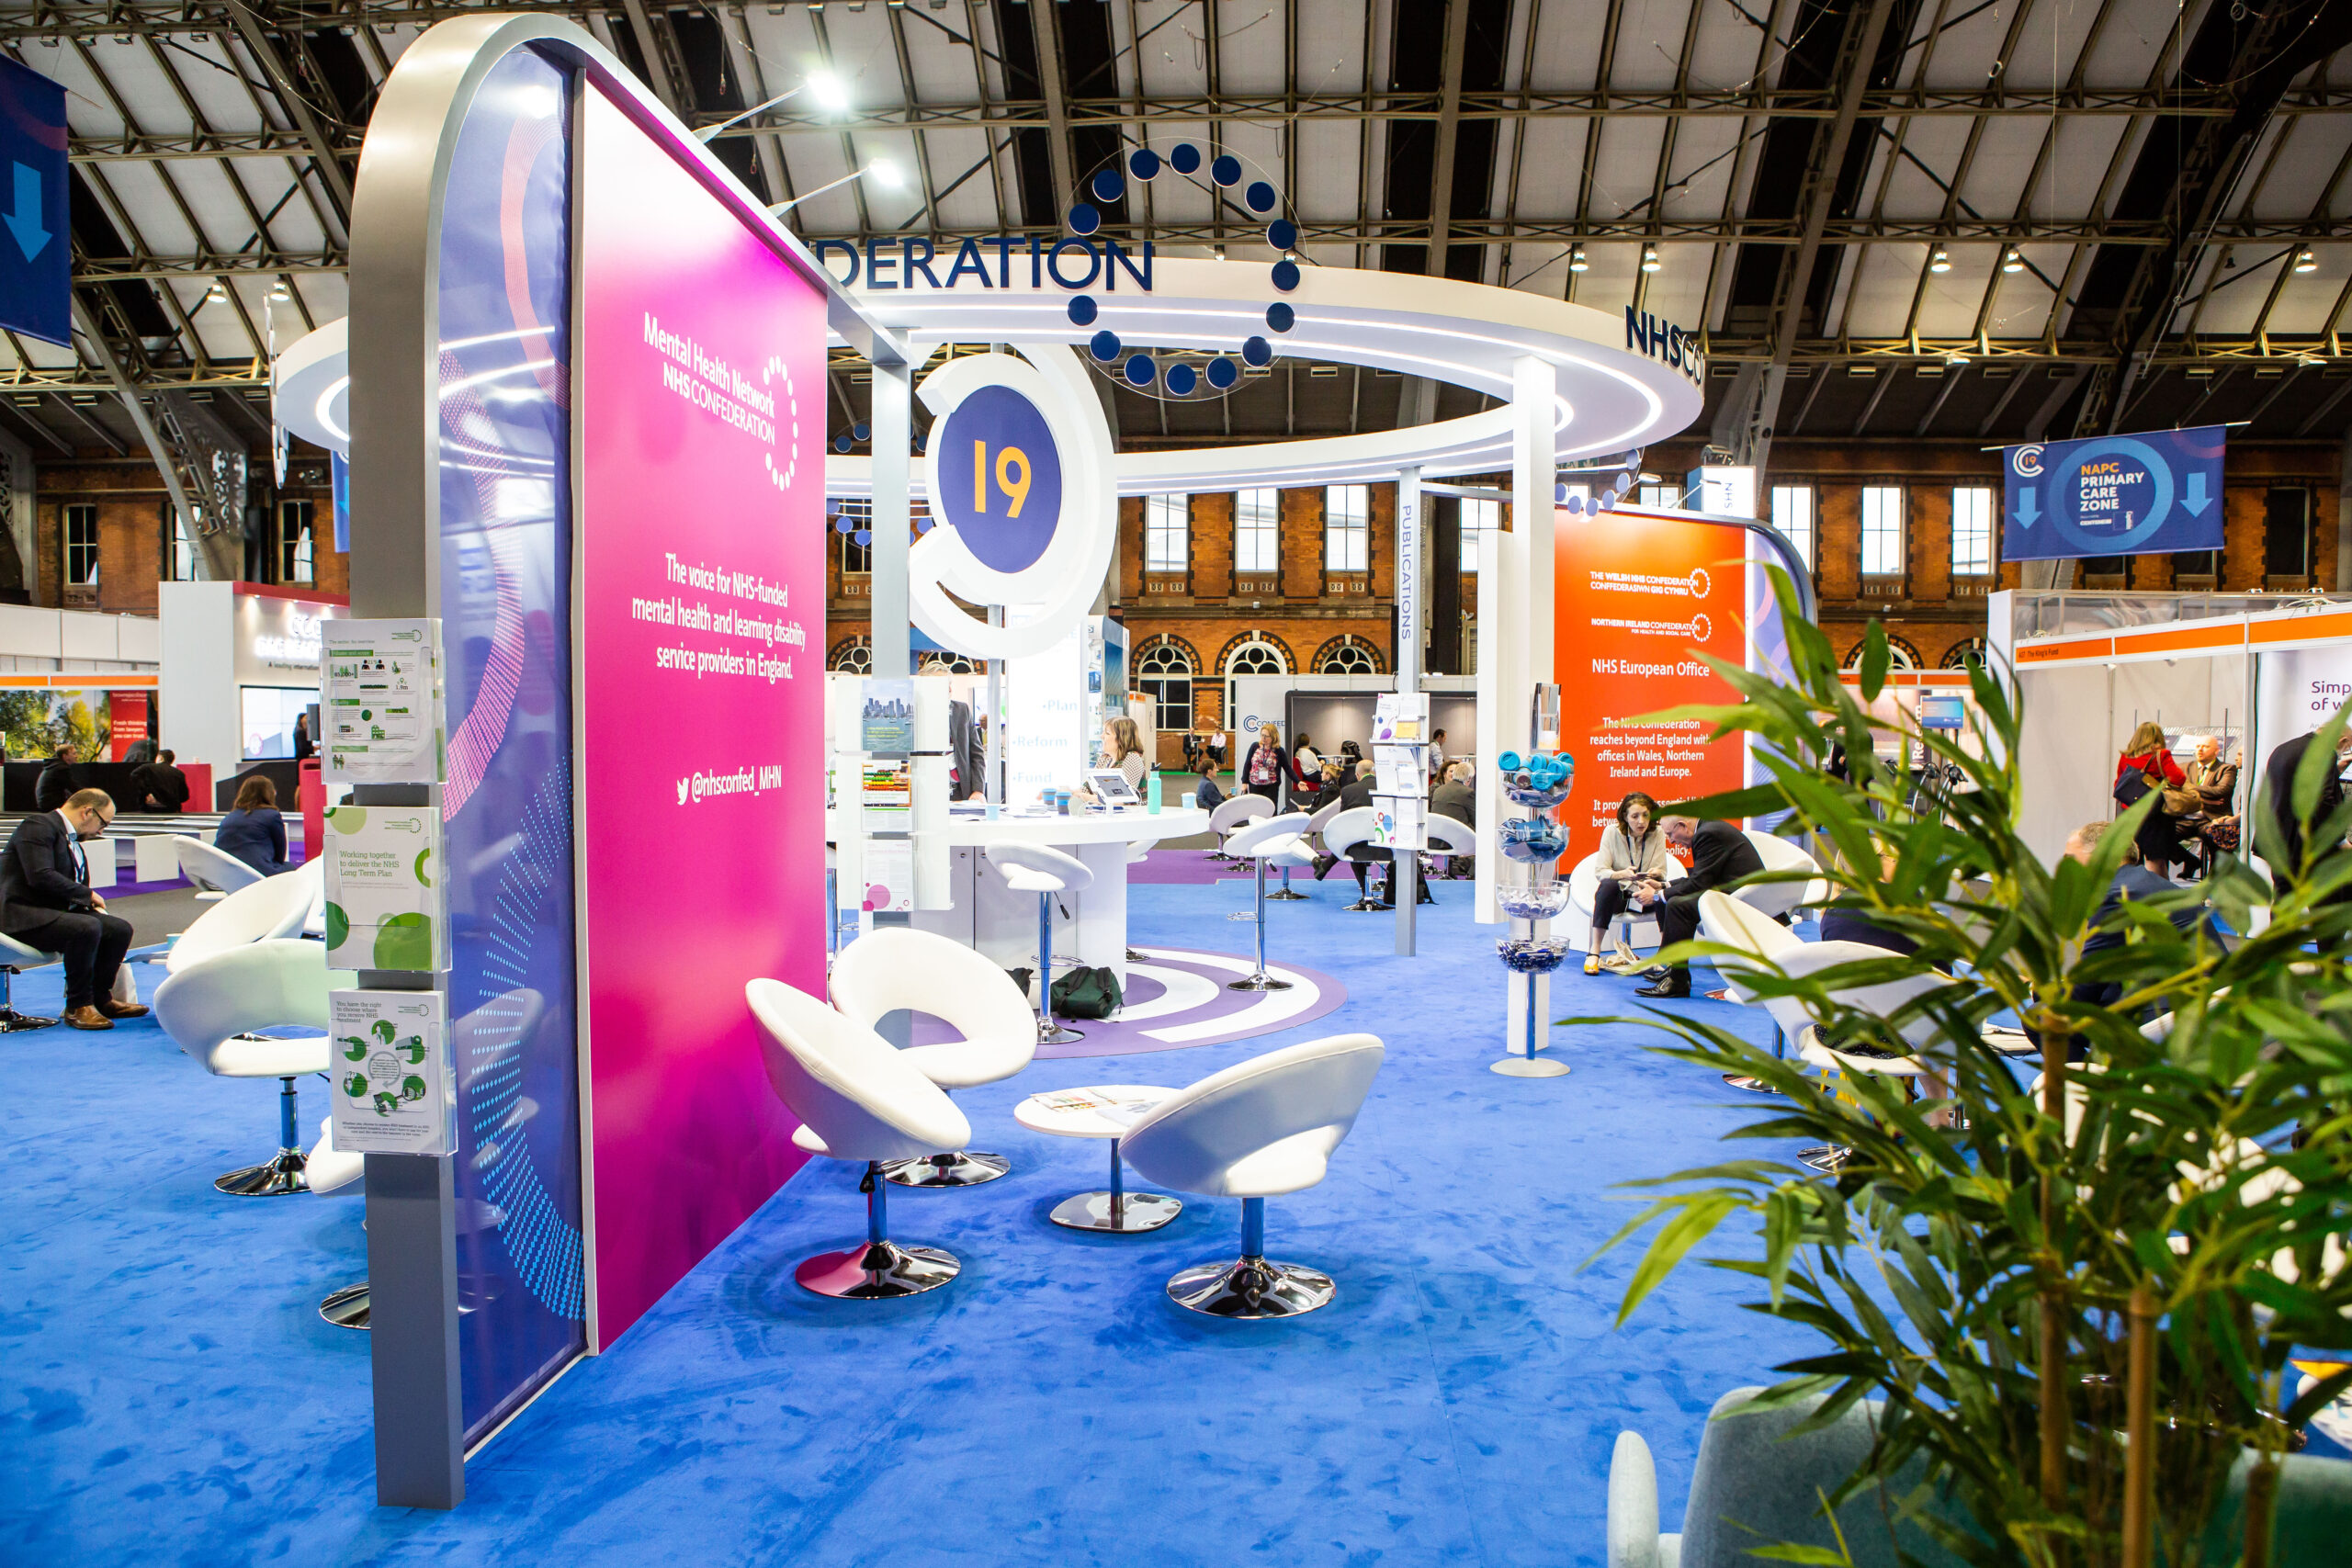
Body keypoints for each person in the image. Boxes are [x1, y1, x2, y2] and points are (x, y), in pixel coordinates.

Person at [0, 788, 142, 1030]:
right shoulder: (37, 826)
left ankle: (101, 999)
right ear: (88, 812)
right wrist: (87, 895)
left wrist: (84, 902)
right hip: (19, 915)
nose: (101, 831)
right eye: (104, 823)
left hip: (50, 913)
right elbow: (39, 875)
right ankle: (78, 1006)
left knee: (119, 929)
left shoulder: (69, 839)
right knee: (85, 927)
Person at [1635, 815, 1766, 998]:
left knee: (1677, 905)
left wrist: (1657, 896)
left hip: (1744, 900)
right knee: (1669, 899)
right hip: (1730, 892)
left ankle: (1678, 981)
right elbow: (1700, 877)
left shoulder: (1708, 834)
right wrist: (1663, 886)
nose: (1671, 841)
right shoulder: (1707, 828)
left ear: (1682, 826)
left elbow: (1699, 883)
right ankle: (1673, 969)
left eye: (1670, 834)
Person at [1585, 791, 1674, 974]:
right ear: (1625, 817)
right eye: (1635, 816)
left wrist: (1655, 874)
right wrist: (1622, 874)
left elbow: (1662, 871)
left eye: (1646, 815)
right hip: (1621, 896)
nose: (1641, 821)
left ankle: (1665, 955)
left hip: (1646, 892)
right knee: (1607, 886)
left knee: (1663, 894)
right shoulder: (1611, 832)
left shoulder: (1657, 833)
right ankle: (1594, 952)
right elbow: (1601, 872)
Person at [2113, 720, 2188, 876]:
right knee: (2155, 858)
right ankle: (2158, 890)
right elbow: (2178, 779)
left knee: (2132, 857)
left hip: (2129, 812)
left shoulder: (2126, 756)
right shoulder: (2161, 755)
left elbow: (2118, 783)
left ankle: (2133, 888)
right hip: (2154, 814)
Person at [215, 774, 290, 876]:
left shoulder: (230, 817)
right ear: (269, 793)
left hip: (224, 872)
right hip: (256, 872)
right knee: (290, 868)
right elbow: (280, 855)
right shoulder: (272, 815)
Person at [1239, 723, 1289, 807]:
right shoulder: (1255, 746)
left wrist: (1298, 781)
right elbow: (1247, 765)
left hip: (1271, 786)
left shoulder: (1279, 750)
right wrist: (1244, 782)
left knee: (1270, 809)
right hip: (1254, 784)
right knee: (1255, 809)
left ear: (1273, 737)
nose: (1263, 738)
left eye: (1266, 736)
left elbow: (1287, 768)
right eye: (1262, 735)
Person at [128, 749, 190, 813]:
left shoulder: (147, 768)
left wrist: (146, 792)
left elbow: (134, 775)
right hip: (172, 808)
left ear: (161, 758)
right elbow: (184, 796)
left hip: (150, 807)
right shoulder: (179, 773)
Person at [35, 743, 78, 813]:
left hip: (45, 805)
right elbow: (74, 788)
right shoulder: (61, 769)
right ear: (65, 756)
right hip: (52, 806)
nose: (76, 756)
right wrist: (90, 794)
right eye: (74, 754)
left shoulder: (53, 767)